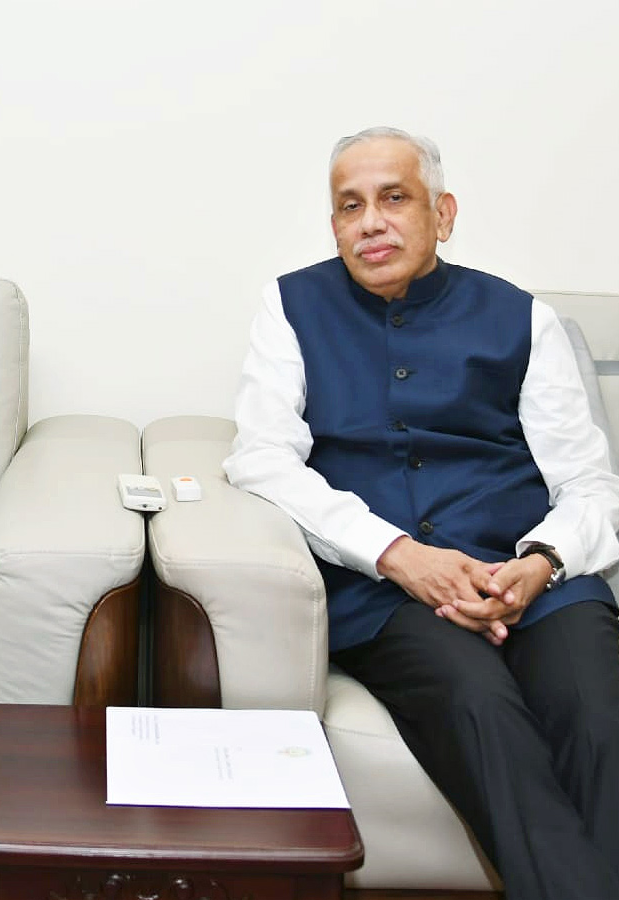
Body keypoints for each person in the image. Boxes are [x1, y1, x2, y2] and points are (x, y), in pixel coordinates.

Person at [224, 126, 619, 899]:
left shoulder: (522, 317)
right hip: (388, 594)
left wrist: (540, 563)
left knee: (597, 712)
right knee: (482, 710)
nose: (371, 222)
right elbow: (262, 459)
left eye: (394, 198)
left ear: (443, 213)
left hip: (534, 578)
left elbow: (589, 483)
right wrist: (398, 555)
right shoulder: (292, 306)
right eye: (350, 206)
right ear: (333, 225)